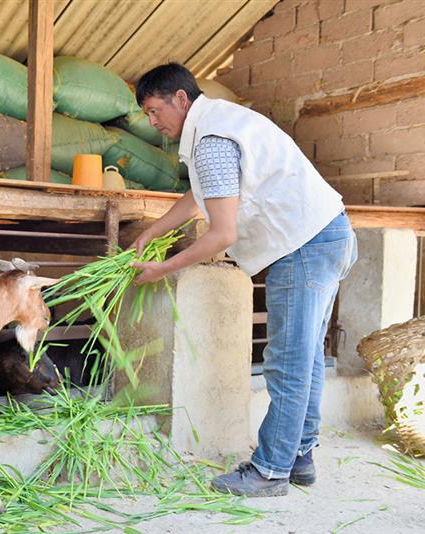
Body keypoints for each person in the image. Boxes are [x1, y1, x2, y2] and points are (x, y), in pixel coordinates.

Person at [129, 63, 357, 497]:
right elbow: (202, 193)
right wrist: (152, 231)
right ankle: (300, 456)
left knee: (287, 362)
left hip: (305, 246)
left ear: (181, 99)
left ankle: (270, 471)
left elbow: (222, 233)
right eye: (146, 114)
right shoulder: (218, 122)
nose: (152, 122)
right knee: (305, 357)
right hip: (326, 234)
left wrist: (163, 269)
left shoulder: (212, 138)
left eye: (155, 110)